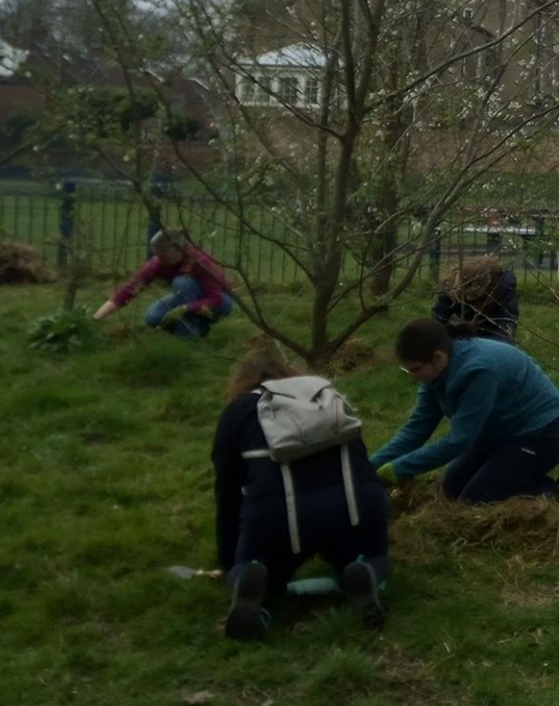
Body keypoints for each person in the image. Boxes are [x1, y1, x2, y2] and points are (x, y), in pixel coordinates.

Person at [213, 349, 389, 640]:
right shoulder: (325, 393)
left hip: (280, 512)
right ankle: (363, 572)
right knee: (373, 555)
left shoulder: (239, 411)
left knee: (263, 571)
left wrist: (230, 562)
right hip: (356, 499)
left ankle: (254, 588)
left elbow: (228, 492)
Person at [375, 318, 559, 504]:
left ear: (438, 358)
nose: (412, 377)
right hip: (498, 435)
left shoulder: (478, 371)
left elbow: (459, 440)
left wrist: (398, 468)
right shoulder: (436, 374)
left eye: (415, 370)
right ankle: (515, 477)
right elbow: (416, 429)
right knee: (450, 492)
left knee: (476, 501)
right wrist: (369, 467)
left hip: (540, 435)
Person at [96, 228, 235, 339]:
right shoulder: (158, 263)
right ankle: (200, 328)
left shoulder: (200, 261)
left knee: (182, 283)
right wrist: (97, 318)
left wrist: (186, 308)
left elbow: (215, 298)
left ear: (178, 250)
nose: (159, 260)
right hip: (189, 299)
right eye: (156, 255)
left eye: (163, 256)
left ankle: (187, 336)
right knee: (152, 317)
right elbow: (128, 291)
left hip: (220, 302)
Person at [432, 255, 520, 343]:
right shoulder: (449, 284)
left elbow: (507, 320)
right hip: (459, 329)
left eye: (473, 295)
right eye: (462, 294)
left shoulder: (503, 283)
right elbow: (439, 319)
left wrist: (497, 345)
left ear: (487, 286)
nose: (468, 299)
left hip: (491, 327)